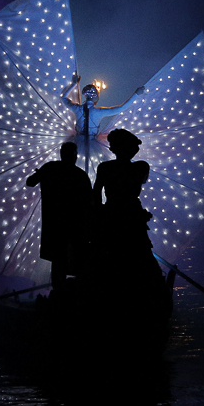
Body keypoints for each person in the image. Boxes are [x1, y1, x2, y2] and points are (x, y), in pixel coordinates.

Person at [92, 129, 164, 294]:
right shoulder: (140, 167)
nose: (110, 149)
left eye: (113, 145)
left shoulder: (105, 168)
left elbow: (96, 193)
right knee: (138, 255)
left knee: (112, 256)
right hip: (132, 214)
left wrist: (100, 212)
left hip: (112, 214)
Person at [26, 142, 93, 289]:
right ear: (75, 155)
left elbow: (30, 182)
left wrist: (40, 174)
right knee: (75, 258)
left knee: (58, 260)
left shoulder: (50, 168)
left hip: (54, 223)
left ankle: (58, 294)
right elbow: (89, 201)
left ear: (61, 154)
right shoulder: (80, 175)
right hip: (75, 225)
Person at [61, 74, 147, 172]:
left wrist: (73, 84)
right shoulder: (99, 111)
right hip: (92, 144)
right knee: (95, 168)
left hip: (76, 142)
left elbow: (63, 98)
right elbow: (121, 108)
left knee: (72, 167)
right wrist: (136, 94)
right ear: (96, 97)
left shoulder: (77, 108)